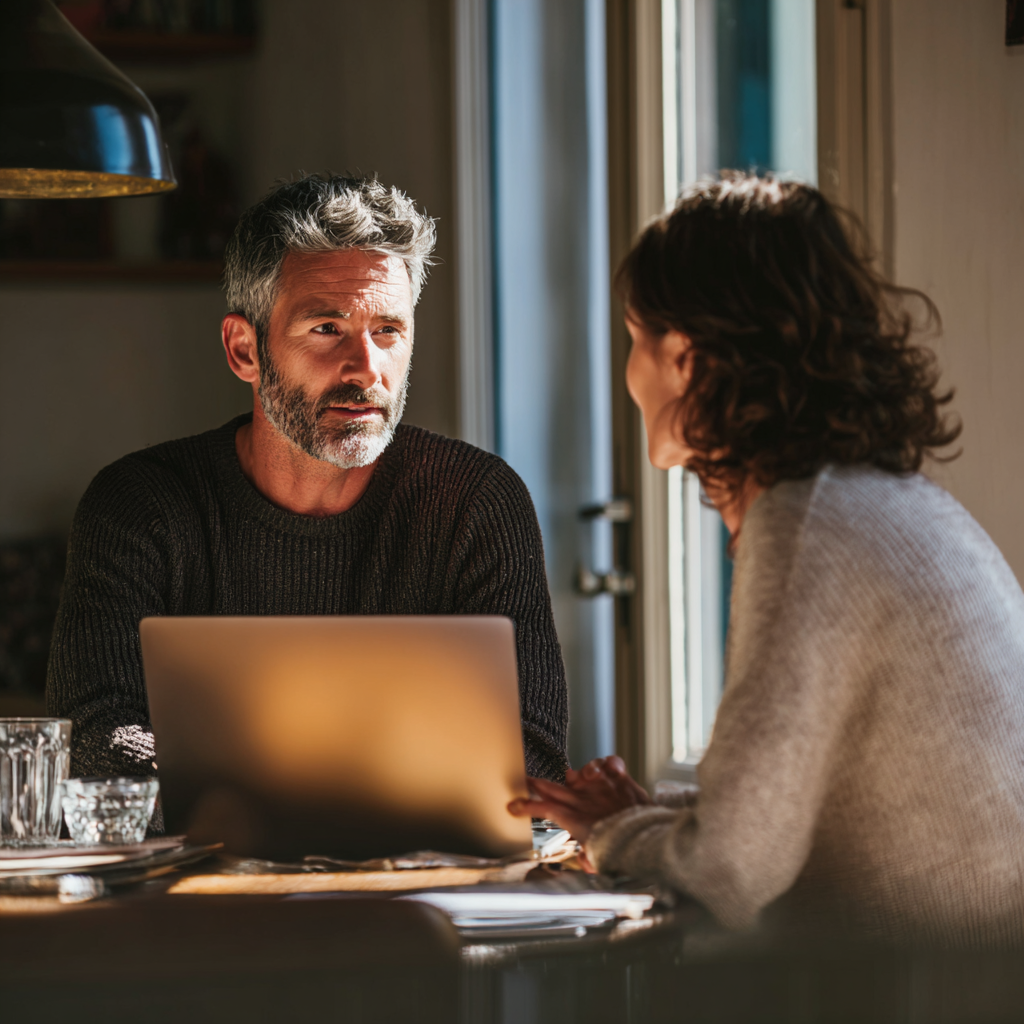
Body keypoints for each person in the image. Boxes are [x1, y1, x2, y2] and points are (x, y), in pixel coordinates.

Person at [511, 174, 1024, 944]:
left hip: (939, 987)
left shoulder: (806, 526)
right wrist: (636, 816)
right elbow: (779, 812)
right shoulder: (875, 502)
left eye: (634, 337)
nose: (629, 371)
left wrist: (614, 831)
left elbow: (726, 868)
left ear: (685, 359)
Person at [46, 174, 569, 785]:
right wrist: (357, 781)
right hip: (222, 856)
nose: (366, 369)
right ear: (245, 350)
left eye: (388, 331)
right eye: (327, 329)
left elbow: (532, 753)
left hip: (393, 855)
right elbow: (93, 737)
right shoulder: (141, 504)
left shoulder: (475, 502)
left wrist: (251, 781)